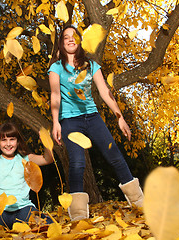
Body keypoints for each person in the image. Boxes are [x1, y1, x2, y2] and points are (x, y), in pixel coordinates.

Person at [48, 25, 143, 221]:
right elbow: (55, 95)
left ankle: (139, 201)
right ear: (62, 43)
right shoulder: (56, 68)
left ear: (80, 41)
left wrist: (120, 117)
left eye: (74, 36)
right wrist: (56, 123)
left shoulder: (91, 65)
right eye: (66, 37)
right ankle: (78, 214)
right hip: (69, 120)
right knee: (77, 163)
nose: (70, 39)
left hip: (92, 117)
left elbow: (104, 92)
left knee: (114, 155)